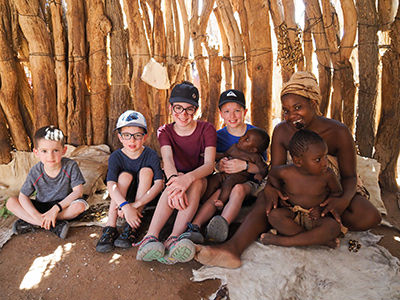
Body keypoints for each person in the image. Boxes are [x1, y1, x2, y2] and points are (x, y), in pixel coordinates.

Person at [195, 71, 382, 268]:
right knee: (265, 201)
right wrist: (273, 189)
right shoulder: (283, 131)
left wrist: (341, 201)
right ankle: (232, 249)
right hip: (293, 192)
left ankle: (303, 234)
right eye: (286, 110)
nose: (291, 116)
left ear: (314, 103)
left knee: (369, 216)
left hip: (327, 191)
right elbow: (275, 171)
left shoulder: (337, 132)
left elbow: (350, 176)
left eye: (298, 107)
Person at [135, 81, 217, 264]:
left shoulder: (207, 129)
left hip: (199, 178)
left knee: (195, 183)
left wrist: (186, 180)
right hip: (175, 176)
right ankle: (150, 238)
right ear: (171, 107)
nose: (183, 114)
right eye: (178, 108)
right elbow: (168, 160)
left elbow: (209, 165)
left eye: (189, 109)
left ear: (195, 110)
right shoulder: (165, 131)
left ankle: (173, 238)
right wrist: (175, 181)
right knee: (172, 185)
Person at [180, 89, 268, 244]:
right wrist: (218, 166)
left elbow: (263, 167)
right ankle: (195, 226)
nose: (232, 116)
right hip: (225, 179)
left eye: (237, 111)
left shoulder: (255, 135)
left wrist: (245, 165)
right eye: (227, 111)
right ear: (220, 113)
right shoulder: (218, 136)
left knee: (237, 189)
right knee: (218, 194)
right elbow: (212, 161)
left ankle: (222, 225)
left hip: (247, 182)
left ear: (245, 111)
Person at [260, 129, 343, 248]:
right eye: (318, 159)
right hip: (293, 214)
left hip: (317, 217)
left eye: (325, 156)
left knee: (333, 227)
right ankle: (320, 241)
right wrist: (278, 191)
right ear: (298, 161)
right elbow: (272, 174)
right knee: (274, 216)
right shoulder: (285, 172)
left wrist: (321, 208)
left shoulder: (328, 175)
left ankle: (282, 241)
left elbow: (337, 193)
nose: (325, 163)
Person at [96, 110, 164, 253]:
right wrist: (126, 206)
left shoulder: (150, 155)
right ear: (120, 137)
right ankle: (110, 226)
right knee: (123, 177)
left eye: (137, 136)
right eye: (127, 136)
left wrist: (136, 205)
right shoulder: (116, 156)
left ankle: (132, 225)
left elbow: (159, 184)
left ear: (144, 137)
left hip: (144, 198)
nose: (132, 141)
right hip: (122, 199)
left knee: (146, 171)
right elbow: (110, 185)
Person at [6, 125, 88, 239]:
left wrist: (55, 210)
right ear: (36, 152)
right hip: (43, 206)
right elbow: (23, 196)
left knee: (79, 206)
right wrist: (37, 215)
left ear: (64, 150)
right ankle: (49, 224)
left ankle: (32, 222)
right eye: (44, 151)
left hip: (63, 206)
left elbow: (78, 192)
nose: (50, 156)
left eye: (55, 150)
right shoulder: (35, 171)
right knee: (11, 202)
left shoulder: (70, 166)